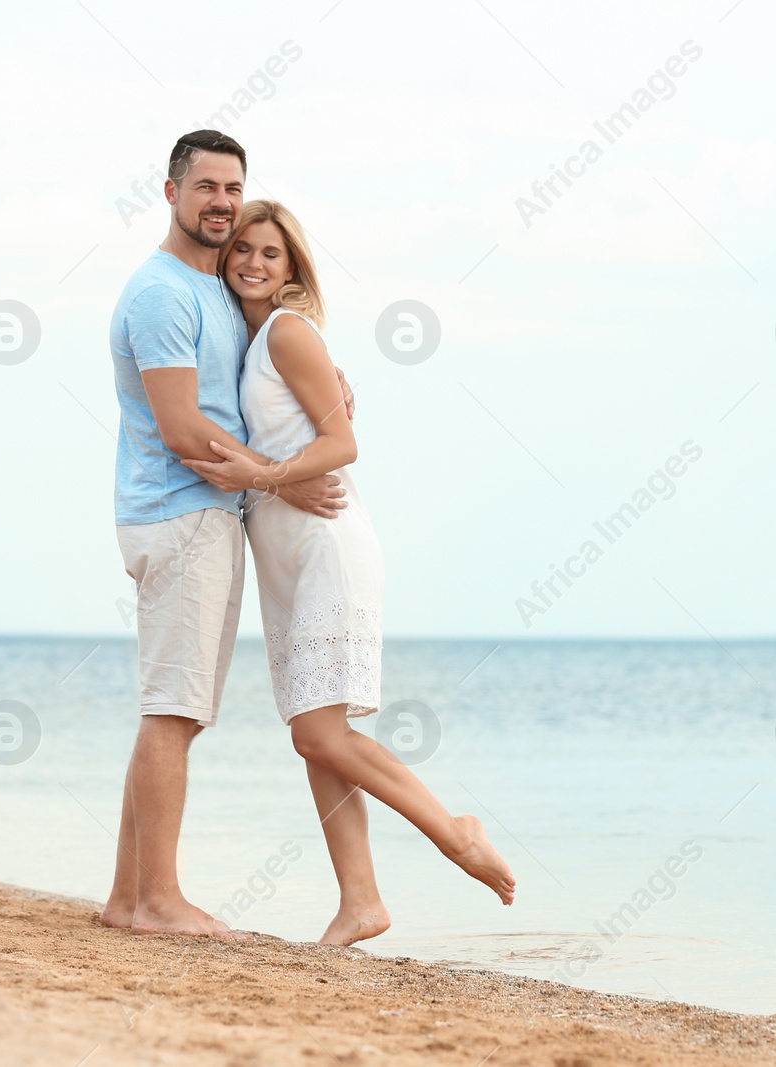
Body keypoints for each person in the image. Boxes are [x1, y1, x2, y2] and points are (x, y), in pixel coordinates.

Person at [182, 199, 515, 944]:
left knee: (321, 732)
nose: (253, 263)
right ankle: (360, 900)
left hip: (327, 540)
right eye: (242, 250)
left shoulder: (290, 332)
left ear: (293, 266)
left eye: (271, 253)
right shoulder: (252, 340)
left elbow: (342, 444)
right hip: (287, 553)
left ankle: (454, 832)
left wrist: (271, 477)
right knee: (314, 734)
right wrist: (271, 477)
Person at [102, 131, 353, 937]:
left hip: (203, 516)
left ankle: (124, 896)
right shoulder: (162, 294)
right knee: (173, 711)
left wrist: (326, 371)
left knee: (171, 710)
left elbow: (262, 368)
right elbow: (183, 429)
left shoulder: (212, 287)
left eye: (232, 188)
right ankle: (160, 901)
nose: (220, 201)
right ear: (170, 191)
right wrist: (282, 476)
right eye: (205, 186)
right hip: (181, 513)